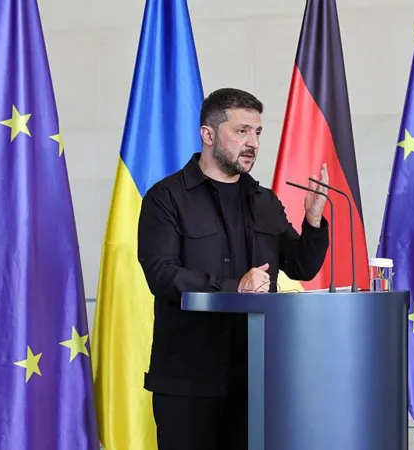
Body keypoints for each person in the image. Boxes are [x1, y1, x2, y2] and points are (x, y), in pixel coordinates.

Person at [137, 87, 330, 449]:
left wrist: (314, 221)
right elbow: (162, 274)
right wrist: (232, 288)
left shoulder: (264, 201)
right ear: (208, 135)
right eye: (241, 131)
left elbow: (300, 266)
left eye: (257, 132)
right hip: (188, 382)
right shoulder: (166, 198)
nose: (253, 142)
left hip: (256, 378)